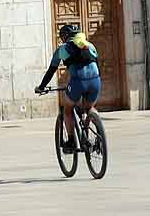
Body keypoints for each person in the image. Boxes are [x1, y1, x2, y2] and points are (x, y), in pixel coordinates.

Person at [35, 23, 101, 152]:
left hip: (78, 81)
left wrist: (41, 87)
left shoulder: (62, 49)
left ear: (64, 37)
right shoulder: (89, 45)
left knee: (67, 109)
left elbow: (51, 70)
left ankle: (71, 141)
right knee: (90, 108)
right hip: (96, 80)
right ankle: (98, 138)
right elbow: (97, 64)